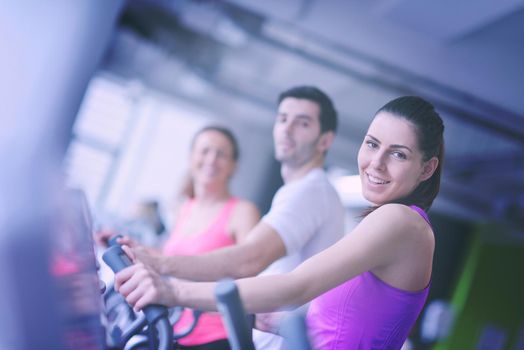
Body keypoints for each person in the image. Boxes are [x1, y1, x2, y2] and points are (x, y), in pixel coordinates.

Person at [115, 95, 445, 349]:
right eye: (372, 144)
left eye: (398, 154)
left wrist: (173, 291)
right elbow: (357, 323)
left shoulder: (400, 221)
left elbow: (295, 286)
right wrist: (280, 321)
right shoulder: (391, 223)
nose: (376, 163)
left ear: (427, 168)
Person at [118, 86, 346, 349]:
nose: (287, 128)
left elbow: (250, 259)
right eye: (282, 119)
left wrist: (160, 265)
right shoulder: (299, 191)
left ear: (325, 141)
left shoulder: (310, 191)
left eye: (302, 123)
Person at [97, 125, 261, 350]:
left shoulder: (242, 211)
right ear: (191, 157)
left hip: (218, 336)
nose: (211, 159)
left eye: (221, 154)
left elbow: (250, 270)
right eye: (205, 151)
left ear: (233, 166)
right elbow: (173, 259)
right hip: (177, 329)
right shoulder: (186, 208)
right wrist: (133, 248)